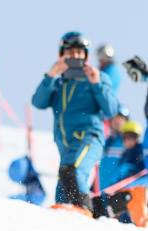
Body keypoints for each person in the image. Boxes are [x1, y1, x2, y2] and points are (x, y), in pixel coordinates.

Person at [31, 32, 119, 216]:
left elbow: (111, 109)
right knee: (63, 187)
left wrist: (96, 83)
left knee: (73, 171)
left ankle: (83, 214)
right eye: (70, 53)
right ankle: (63, 224)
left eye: (79, 53)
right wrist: (50, 75)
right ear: (61, 54)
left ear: (86, 55)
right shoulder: (58, 82)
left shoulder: (98, 77)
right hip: (66, 145)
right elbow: (38, 102)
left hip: (88, 137)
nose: (75, 57)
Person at [91, 121, 147, 226]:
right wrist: (115, 182)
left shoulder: (140, 152)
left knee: (136, 212)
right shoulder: (126, 154)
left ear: (136, 138)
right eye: (125, 138)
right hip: (123, 189)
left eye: (131, 138)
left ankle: (140, 226)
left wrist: (131, 173)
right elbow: (119, 173)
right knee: (120, 212)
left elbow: (141, 170)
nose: (128, 141)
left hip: (136, 189)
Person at [98, 105, 130, 190]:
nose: (117, 121)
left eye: (120, 118)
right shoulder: (104, 142)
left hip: (119, 190)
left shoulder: (127, 141)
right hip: (101, 190)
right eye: (114, 118)